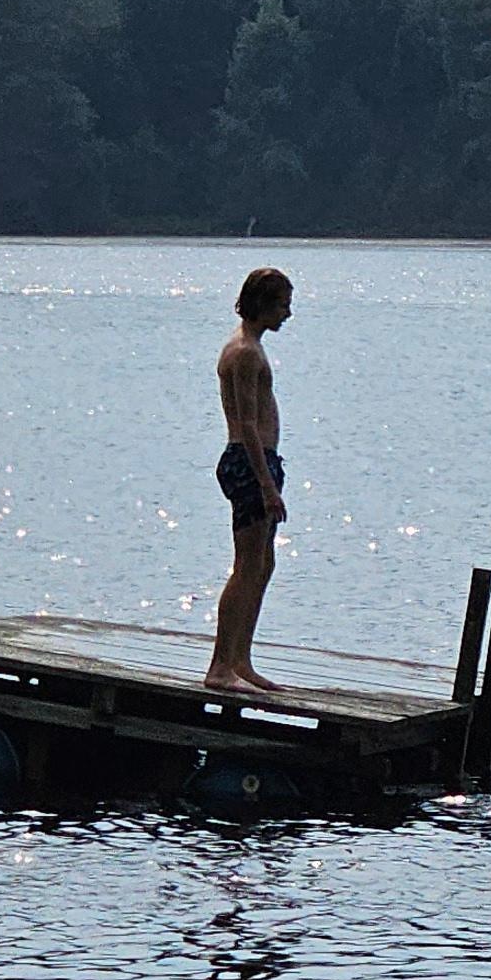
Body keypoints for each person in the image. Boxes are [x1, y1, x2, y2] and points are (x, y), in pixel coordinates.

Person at [205, 266, 292, 694]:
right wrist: (266, 485)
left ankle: (241, 659)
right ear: (261, 304)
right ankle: (220, 665)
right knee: (246, 565)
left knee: (263, 563)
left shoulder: (253, 348)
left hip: (260, 463)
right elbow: (247, 423)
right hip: (248, 463)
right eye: (282, 305)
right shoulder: (243, 353)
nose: (288, 314)